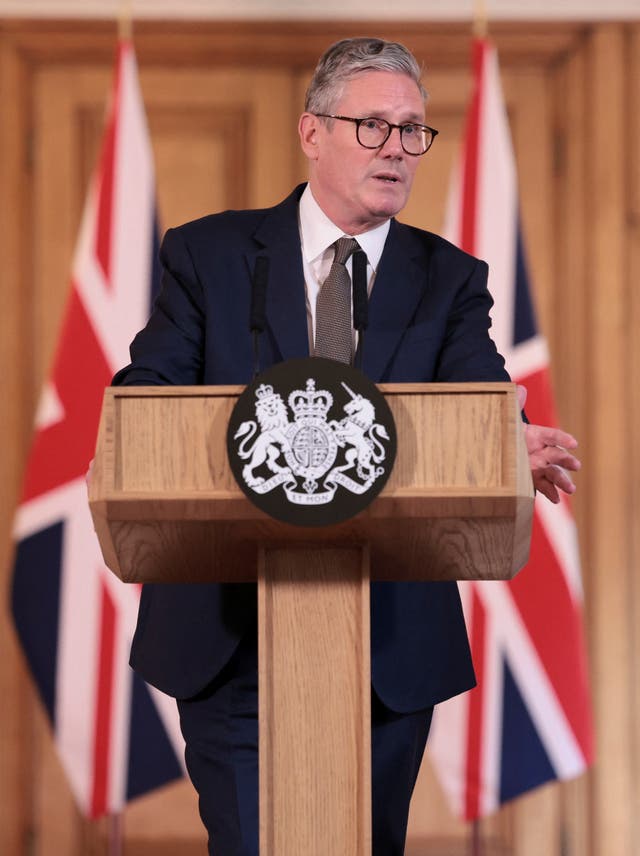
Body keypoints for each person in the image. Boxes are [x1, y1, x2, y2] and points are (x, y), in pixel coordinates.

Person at [112, 37, 580, 855]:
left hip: (385, 647)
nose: (398, 149)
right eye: (373, 127)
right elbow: (147, 398)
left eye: (413, 132)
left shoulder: (450, 278)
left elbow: (478, 399)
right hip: (231, 635)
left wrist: (506, 442)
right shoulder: (209, 256)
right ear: (312, 132)